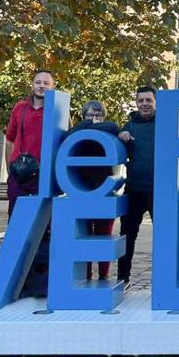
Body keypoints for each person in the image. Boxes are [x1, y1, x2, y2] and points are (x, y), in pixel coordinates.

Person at [63, 100, 120, 281]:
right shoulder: (78, 131)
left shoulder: (108, 129)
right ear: (83, 116)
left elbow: (112, 127)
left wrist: (96, 125)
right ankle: (85, 276)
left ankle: (103, 275)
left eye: (98, 115)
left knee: (103, 236)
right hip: (82, 191)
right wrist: (89, 125)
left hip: (103, 191)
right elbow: (70, 134)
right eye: (90, 115)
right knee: (84, 237)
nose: (94, 119)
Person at [116, 86, 157, 288]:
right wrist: (120, 134)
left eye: (148, 100)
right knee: (127, 235)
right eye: (141, 100)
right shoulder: (129, 126)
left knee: (163, 236)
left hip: (159, 190)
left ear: (155, 102)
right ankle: (123, 278)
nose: (144, 104)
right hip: (134, 189)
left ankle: (163, 278)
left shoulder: (165, 124)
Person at [4, 69, 54, 215]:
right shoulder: (19, 108)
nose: (41, 86)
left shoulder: (58, 110)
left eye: (46, 83)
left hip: (45, 174)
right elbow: (10, 139)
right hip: (19, 174)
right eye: (38, 82)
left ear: (52, 87)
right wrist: (10, 168)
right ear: (32, 85)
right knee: (16, 217)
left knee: (43, 222)